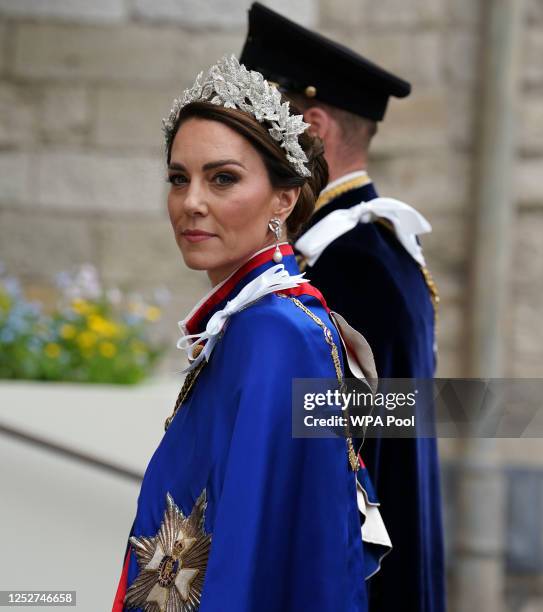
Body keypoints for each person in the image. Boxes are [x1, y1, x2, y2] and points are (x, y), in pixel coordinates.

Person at [112, 55, 392, 612]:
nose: (191, 202)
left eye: (223, 178)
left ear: (284, 199)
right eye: (178, 178)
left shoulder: (277, 334)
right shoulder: (251, 321)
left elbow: (255, 551)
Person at [241, 5, 446, 612]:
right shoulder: (362, 248)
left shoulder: (348, 263)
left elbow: (342, 462)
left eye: (255, 128)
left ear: (312, 127)